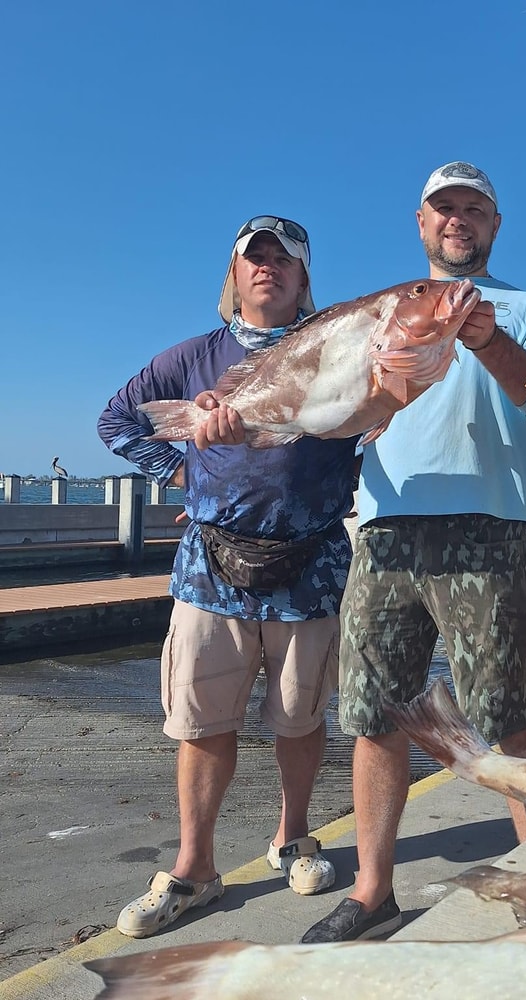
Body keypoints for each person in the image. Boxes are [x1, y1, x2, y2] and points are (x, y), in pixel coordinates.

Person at [300, 160, 526, 943]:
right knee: (374, 714)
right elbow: (334, 411)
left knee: (510, 717)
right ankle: (373, 889)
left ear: (495, 225)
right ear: (421, 223)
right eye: (443, 208)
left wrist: (491, 341)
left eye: (473, 209)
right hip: (385, 529)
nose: (458, 220)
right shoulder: (381, 313)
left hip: (490, 530)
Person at [97, 216, 358, 937]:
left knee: (301, 717)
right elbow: (118, 423)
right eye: (255, 257)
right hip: (210, 567)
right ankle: (194, 868)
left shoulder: (337, 348)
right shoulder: (191, 357)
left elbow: (373, 426)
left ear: (304, 279)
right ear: (235, 276)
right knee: (203, 722)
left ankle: (293, 838)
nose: (268, 267)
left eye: (284, 259)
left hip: (311, 564)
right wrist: (183, 469)